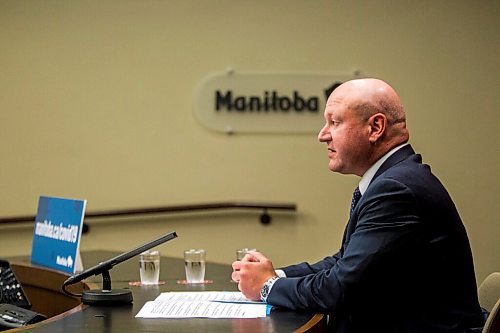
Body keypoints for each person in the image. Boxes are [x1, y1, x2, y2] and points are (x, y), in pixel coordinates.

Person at [232, 78, 484, 332]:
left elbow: (339, 289)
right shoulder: (396, 178)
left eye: (335, 122)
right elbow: (345, 262)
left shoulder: (396, 190)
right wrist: (276, 275)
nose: (322, 135)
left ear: (375, 127)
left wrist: (268, 286)